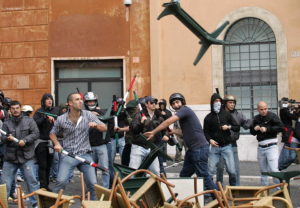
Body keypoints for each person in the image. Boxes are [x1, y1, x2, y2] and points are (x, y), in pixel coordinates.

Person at [144, 93, 216, 192]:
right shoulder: (184, 116)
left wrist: (153, 132)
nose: (176, 105)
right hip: (192, 150)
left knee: (203, 175)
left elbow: (168, 122)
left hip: (199, 148)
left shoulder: (185, 110)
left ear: (182, 102)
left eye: (177, 102)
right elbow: (184, 132)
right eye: (173, 103)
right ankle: (185, 196)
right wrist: (173, 131)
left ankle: (218, 197)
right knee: (184, 175)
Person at [49, 92, 107, 200]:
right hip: (68, 155)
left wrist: (97, 126)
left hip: (85, 154)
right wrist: (57, 144)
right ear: (70, 103)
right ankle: (52, 203)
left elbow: (104, 127)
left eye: (81, 99)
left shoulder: (88, 115)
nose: (80, 101)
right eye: (77, 99)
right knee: (61, 181)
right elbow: (52, 133)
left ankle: (93, 206)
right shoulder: (61, 119)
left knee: (93, 184)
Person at [1, 100, 40, 207]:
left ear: (20, 108)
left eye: (17, 108)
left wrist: (25, 140)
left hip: (27, 157)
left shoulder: (29, 121)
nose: (15, 110)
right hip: (10, 158)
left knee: (32, 182)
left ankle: (35, 204)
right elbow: (2, 138)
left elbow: (36, 134)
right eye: (13, 108)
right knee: (5, 184)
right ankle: (3, 205)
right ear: (10, 110)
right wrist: (7, 138)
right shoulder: (6, 123)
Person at [203, 93, 239, 186]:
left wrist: (228, 127)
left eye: (219, 101)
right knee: (210, 171)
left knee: (232, 171)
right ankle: (209, 191)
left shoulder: (227, 115)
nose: (218, 103)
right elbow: (205, 132)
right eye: (216, 101)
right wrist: (209, 140)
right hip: (215, 148)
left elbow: (237, 127)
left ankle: (233, 190)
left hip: (227, 146)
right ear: (212, 103)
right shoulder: (208, 117)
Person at [216, 95, 252, 186]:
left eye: (233, 103)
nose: (232, 104)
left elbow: (246, 124)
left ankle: (236, 189)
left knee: (234, 169)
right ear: (225, 103)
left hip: (232, 144)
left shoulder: (238, 114)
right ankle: (218, 191)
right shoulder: (218, 114)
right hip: (220, 145)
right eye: (230, 102)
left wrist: (254, 121)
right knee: (219, 168)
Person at [129, 96, 168, 176]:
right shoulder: (139, 115)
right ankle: (129, 188)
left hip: (152, 147)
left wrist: (165, 136)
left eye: (155, 103)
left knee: (156, 172)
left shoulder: (158, 116)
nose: (154, 104)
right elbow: (133, 130)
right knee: (133, 172)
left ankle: (156, 188)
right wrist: (141, 123)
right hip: (138, 147)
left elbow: (163, 129)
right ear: (146, 104)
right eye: (151, 102)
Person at [250, 101, 283, 186]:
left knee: (274, 170)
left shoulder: (272, 116)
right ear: (258, 109)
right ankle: (264, 191)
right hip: (261, 146)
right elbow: (252, 132)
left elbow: (281, 127)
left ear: (267, 108)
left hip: (271, 145)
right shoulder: (256, 118)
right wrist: (255, 128)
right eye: (261, 109)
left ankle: (280, 190)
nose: (264, 111)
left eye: (265, 109)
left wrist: (267, 129)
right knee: (263, 171)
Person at [33, 93, 60, 191]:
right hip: (41, 142)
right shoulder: (39, 111)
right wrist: (44, 117)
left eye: (51, 99)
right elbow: (34, 123)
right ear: (43, 101)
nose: (49, 101)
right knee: (42, 165)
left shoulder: (55, 110)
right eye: (47, 99)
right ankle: (42, 186)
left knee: (49, 165)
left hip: (51, 142)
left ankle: (46, 185)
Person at [84, 91, 110, 188]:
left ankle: (106, 189)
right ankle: (92, 190)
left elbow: (106, 120)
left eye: (93, 101)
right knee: (90, 170)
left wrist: (96, 114)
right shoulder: (82, 113)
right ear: (86, 102)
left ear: (96, 102)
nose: (91, 103)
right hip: (88, 146)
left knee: (105, 169)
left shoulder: (102, 112)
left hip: (101, 145)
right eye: (89, 102)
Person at [278, 98, 298, 170]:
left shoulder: (284, 110)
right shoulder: (284, 110)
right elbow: (293, 117)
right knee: (286, 154)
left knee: (289, 154)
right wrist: (295, 110)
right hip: (288, 132)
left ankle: (279, 167)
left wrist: (293, 108)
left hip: (288, 132)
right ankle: (279, 167)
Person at [158, 99, 172, 168]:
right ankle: (159, 160)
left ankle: (164, 160)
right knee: (158, 146)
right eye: (160, 105)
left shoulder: (168, 112)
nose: (162, 106)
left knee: (164, 146)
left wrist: (165, 115)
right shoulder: (157, 111)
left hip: (165, 130)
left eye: (163, 105)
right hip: (158, 130)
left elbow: (170, 120)